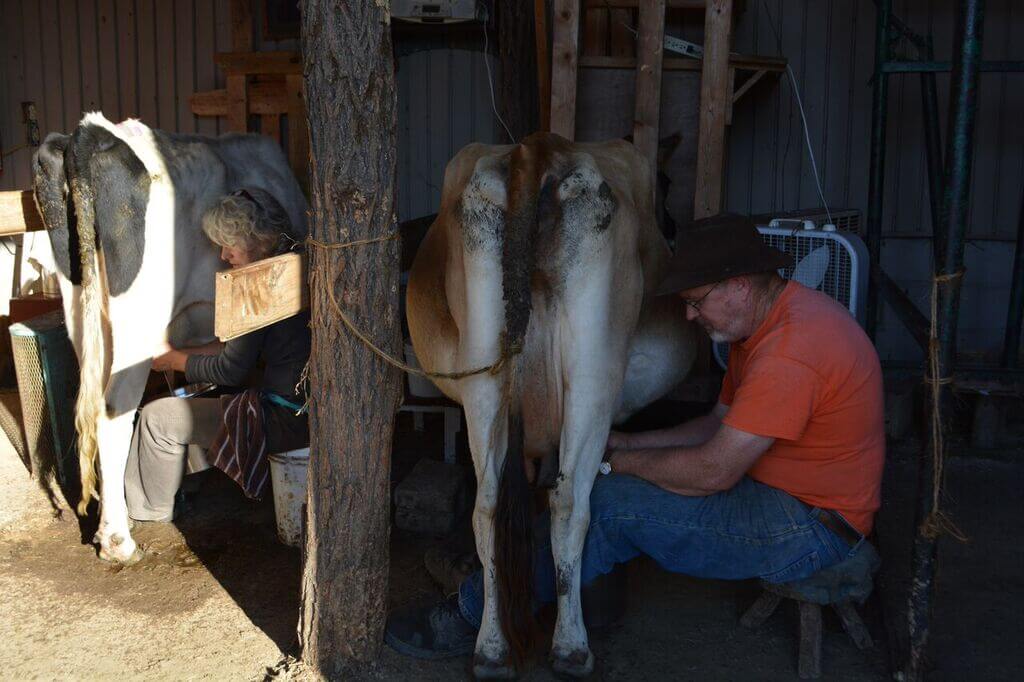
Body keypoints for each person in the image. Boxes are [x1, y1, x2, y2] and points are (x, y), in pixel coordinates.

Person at [384, 213, 885, 659]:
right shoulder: (767, 326)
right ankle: (516, 589)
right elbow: (716, 425)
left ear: (738, 285)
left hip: (808, 528)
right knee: (603, 494)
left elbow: (714, 470)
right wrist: (626, 443)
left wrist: (611, 465)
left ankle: (476, 612)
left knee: (606, 507)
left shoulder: (790, 352)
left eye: (695, 301)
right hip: (792, 499)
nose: (689, 316)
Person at [124, 188, 310, 522]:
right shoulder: (296, 261)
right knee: (209, 396)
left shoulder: (259, 285)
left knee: (157, 418)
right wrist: (179, 354)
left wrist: (173, 362)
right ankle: (191, 487)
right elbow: (235, 350)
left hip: (284, 421)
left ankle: (148, 515)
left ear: (257, 238)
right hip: (309, 411)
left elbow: (230, 370)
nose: (223, 255)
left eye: (229, 243)